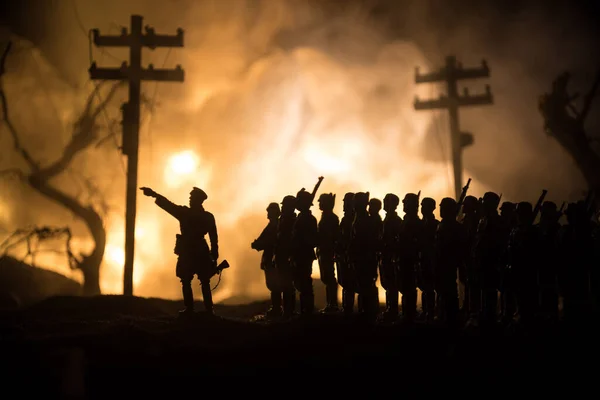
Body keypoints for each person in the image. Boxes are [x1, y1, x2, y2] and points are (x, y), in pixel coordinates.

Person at [140, 186, 220, 316]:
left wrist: (154, 194)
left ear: (198, 200)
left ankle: (193, 309)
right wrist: (214, 253)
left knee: (188, 280)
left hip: (188, 250)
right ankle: (208, 310)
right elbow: (213, 237)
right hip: (201, 250)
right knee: (201, 281)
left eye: (192, 198)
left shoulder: (185, 213)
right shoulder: (207, 217)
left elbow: (168, 205)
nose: (190, 199)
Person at [251, 202, 282, 318]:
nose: (267, 214)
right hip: (270, 259)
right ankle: (276, 308)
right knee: (273, 286)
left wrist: (258, 244)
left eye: (269, 211)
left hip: (272, 259)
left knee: (275, 286)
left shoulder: (275, 226)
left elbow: (269, 241)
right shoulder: (273, 226)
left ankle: (277, 308)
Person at [317, 193, 340, 312]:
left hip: (327, 251)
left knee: (329, 277)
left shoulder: (331, 218)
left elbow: (332, 236)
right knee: (326, 277)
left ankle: (333, 304)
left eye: (321, 202)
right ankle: (330, 303)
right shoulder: (326, 216)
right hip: (323, 251)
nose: (319, 204)